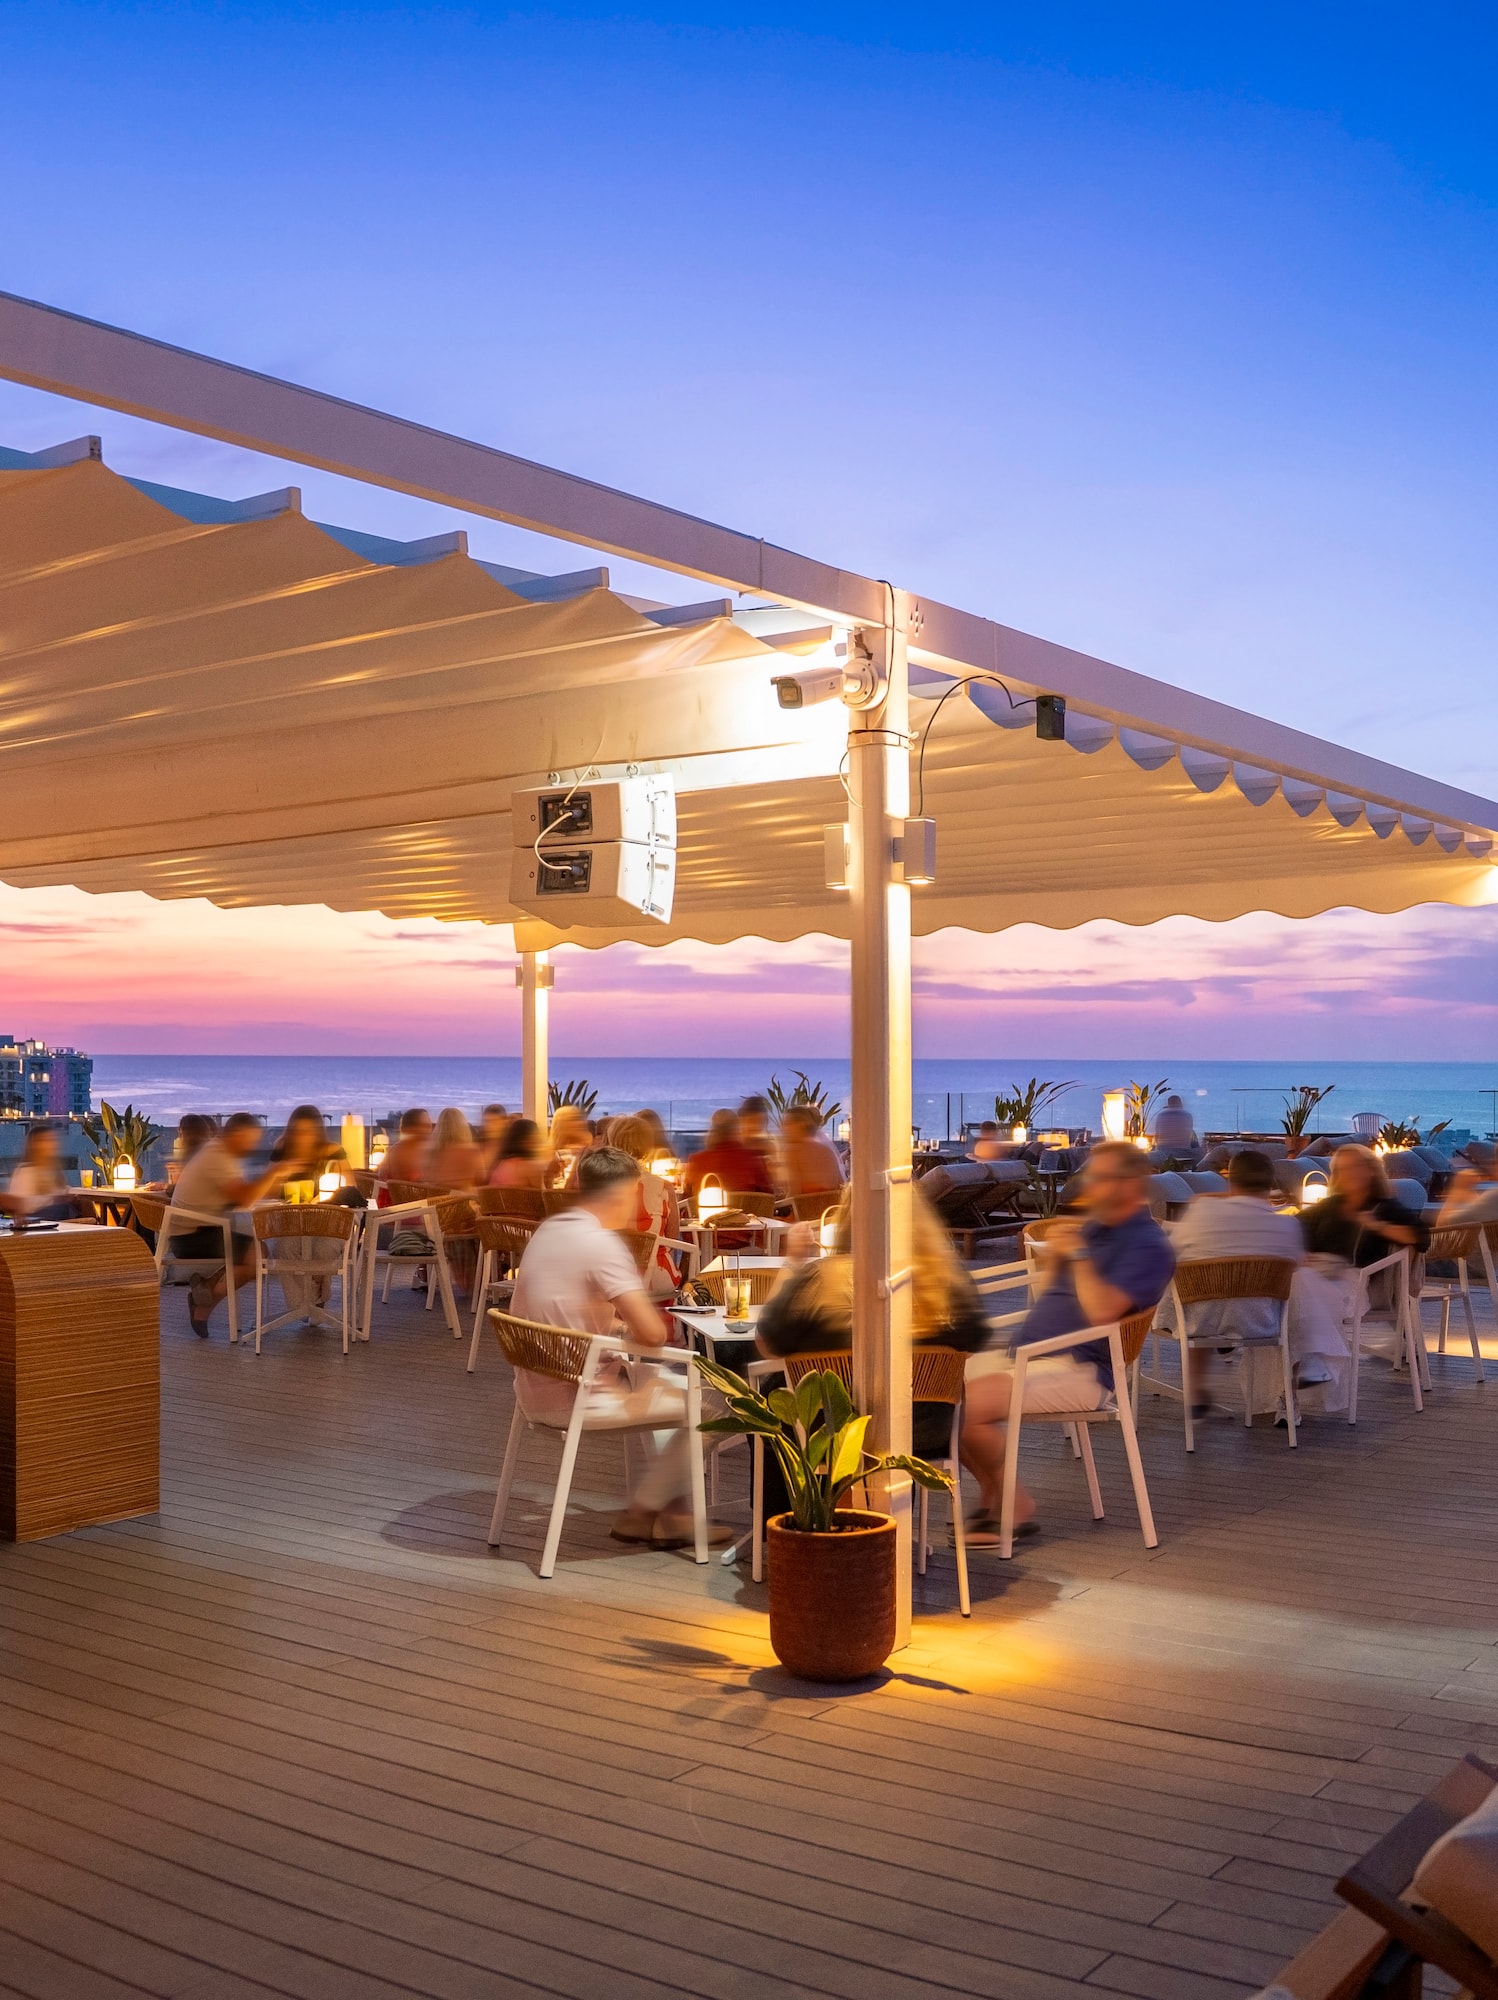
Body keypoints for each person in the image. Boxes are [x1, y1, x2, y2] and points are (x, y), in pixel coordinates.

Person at [510, 1146, 731, 1548]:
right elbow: (654, 1334)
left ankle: (674, 1515)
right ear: (624, 1193)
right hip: (579, 1397)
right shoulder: (602, 1245)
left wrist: (616, 1327)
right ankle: (644, 1511)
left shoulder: (550, 1229)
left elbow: (566, 1311)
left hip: (534, 1387)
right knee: (717, 1404)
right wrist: (631, 1329)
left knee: (655, 1377)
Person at [961, 1140, 1174, 1542]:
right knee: (936, 1390)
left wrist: (1076, 1255)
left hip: (1081, 1368)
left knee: (968, 1404)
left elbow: (1100, 1312)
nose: (1088, 1186)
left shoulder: (1148, 1246)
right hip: (1031, 1356)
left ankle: (1013, 1503)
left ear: (1131, 1185)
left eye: (1099, 1178)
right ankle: (999, 1497)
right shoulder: (1096, 1228)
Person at [756, 1186, 989, 1463]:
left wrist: (792, 1262)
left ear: (847, 1220)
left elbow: (767, 1345)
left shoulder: (819, 1278)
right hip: (926, 1429)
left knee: (770, 1397)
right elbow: (970, 1348)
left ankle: (794, 1505)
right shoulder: (950, 1280)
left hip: (830, 1432)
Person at [1161, 1149, 1310, 1415]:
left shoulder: (1200, 1215)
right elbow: (1298, 1266)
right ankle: (1287, 1395)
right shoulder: (1287, 1227)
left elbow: (1170, 1256)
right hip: (1262, 1323)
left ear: (1230, 1181)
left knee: (1195, 1295)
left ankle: (1195, 1394)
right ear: (1271, 1185)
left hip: (1198, 1321)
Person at [1296, 1143, 1429, 1373]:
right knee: (1295, 1287)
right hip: (1320, 1277)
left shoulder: (1384, 1207)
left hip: (1366, 1285)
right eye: (1343, 1169)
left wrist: (1375, 1225)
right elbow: (1294, 1228)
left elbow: (1420, 1237)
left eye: (1355, 1167)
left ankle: (1319, 1362)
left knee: (1302, 1293)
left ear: (1370, 1170)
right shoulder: (1329, 1207)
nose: (1349, 1174)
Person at [171, 1113, 297, 1337]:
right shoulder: (218, 1156)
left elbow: (245, 1194)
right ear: (238, 1134)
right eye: (251, 1139)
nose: (252, 1146)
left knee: (257, 1252)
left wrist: (276, 1180)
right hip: (192, 1234)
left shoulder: (218, 1152)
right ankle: (204, 1299)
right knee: (257, 1256)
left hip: (200, 1228)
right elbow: (245, 1199)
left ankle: (205, 1291)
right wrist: (274, 1172)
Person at [608, 1114, 683, 1298]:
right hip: (657, 1275)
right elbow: (673, 1235)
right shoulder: (662, 1186)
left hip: (613, 1276)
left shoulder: (602, 1186)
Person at [684, 1109, 775, 1199]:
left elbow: (687, 1199)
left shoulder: (696, 1161)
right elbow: (768, 1197)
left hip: (703, 1213)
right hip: (746, 1213)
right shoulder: (751, 1160)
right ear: (736, 1130)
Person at [3, 1125, 77, 1222]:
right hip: (35, 1217)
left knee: (78, 1204)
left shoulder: (51, 1170)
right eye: (46, 1140)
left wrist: (71, 1193)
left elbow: (60, 1189)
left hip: (55, 1212)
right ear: (34, 1145)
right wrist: (54, 1199)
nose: (52, 1144)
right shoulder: (26, 1171)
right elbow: (22, 1203)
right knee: (64, 1208)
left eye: (52, 1140)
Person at [777, 1105, 845, 1197]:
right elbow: (841, 1185)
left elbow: (794, 1193)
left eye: (787, 1124)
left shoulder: (792, 1151)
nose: (782, 1129)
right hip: (831, 1208)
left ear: (800, 1125)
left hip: (805, 1209)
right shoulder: (827, 1150)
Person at [376, 1108, 433, 1202]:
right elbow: (414, 1188)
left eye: (430, 1124)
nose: (430, 1129)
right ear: (411, 1128)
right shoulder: (406, 1151)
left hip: (393, 1205)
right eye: (425, 1125)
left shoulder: (397, 1148)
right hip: (405, 1210)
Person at [426, 1107, 482, 1188]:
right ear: (463, 1127)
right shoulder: (471, 1151)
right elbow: (481, 1179)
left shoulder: (430, 1152)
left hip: (436, 1198)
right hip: (464, 1198)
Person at [489, 1117, 546, 1189]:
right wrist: (551, 1176)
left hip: (495, 1200)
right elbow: (545, 1197)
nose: (538, 1140)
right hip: (520, 1200)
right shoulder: (531, 1167)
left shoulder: (502, 1163)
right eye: (535, 1136)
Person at [476, 1104, 511, 1181]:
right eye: (487, 1121)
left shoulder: (511, 1148)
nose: (490, 1126)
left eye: (494, 1121)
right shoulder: (478, 1147)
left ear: (504, 1122)